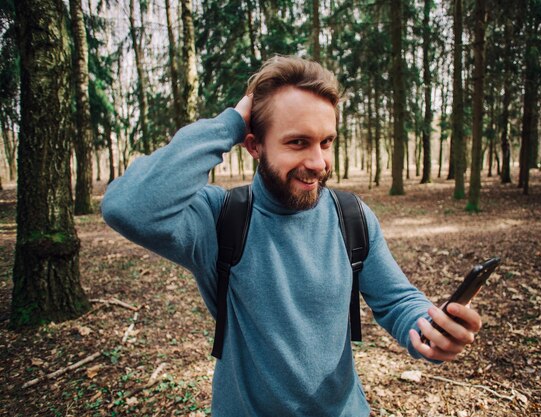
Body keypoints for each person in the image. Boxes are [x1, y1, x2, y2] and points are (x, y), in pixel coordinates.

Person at [101, 55, 482, 416]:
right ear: (254, 145)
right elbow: (129, 207)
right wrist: (231, 123)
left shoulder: (352, 217)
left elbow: (397, 300)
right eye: (298, 142)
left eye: (326, 142)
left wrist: (429, 331)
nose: (318, 163)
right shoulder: (218, 220)